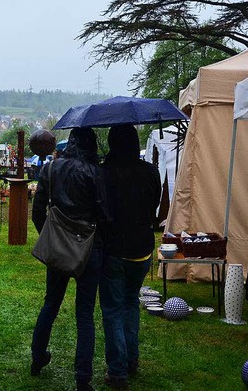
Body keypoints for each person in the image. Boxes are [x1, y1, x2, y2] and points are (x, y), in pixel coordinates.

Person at [30, 127, 108, 391]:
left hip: (61, 245)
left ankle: (37, 358)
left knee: (50, 304)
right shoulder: (96, 172)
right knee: (84, 314)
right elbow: (104, 213)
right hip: (90, 247)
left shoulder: (52, 169)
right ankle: (82, 379)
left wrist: (50, 238)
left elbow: (38, 211)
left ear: (70, 142)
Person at [99, 125, 161, 389]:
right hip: (142, 248)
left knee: (113, 309)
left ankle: (118, 371)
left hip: (114, 249)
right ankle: (131, 361)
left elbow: (100, 210)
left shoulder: (105, 173)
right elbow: (154, 204)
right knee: (130, 304)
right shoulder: (150, 171)